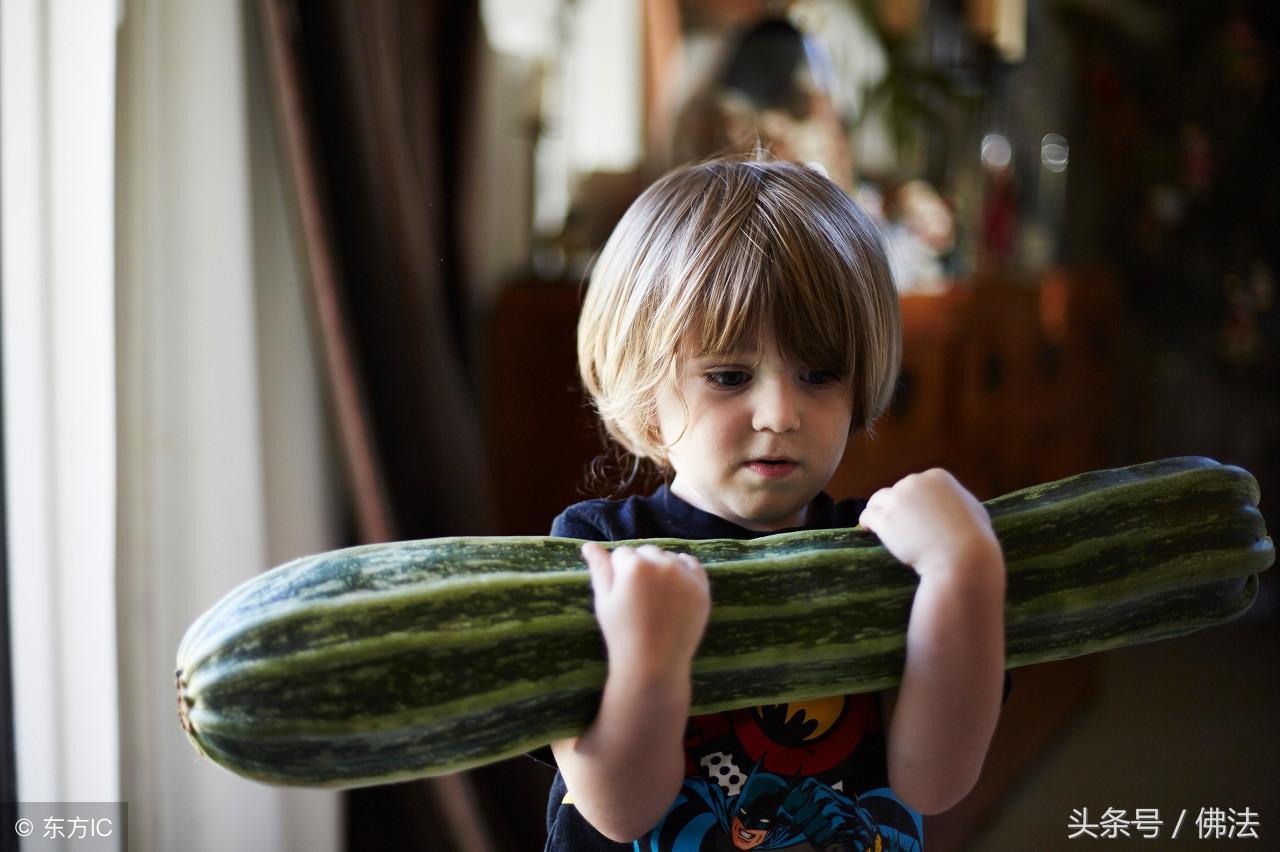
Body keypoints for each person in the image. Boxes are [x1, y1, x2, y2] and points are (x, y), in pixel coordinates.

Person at [534, 155, 1008, 852]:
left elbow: (933, 782)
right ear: (646, 393)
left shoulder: (882, 553)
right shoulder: (600, 555)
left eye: (819, 374)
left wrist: (966, 569)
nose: (780, 413)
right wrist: (646, 659)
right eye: (729, 376)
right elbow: (619, 811)